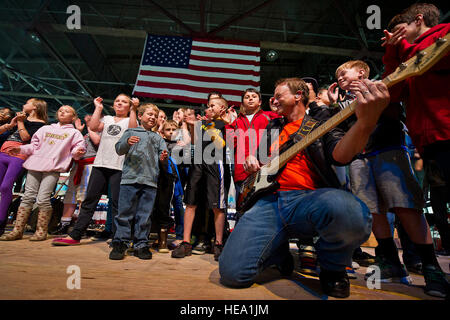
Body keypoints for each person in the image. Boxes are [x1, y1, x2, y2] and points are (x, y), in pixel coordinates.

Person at [219, 77, 390, 298]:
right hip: (268, 202)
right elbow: (260, 163)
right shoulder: (272, 127)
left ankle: (333, 267)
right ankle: (278, 254)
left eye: (279, 95)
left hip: (309, 199)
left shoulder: (320, 125)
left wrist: (365, 124)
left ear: (298, 96)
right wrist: (253, 159)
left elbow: (340, 156)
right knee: (233, 274)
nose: (273, 100)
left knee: (351, 213)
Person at [379, 4, 450, 297]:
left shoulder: (444, 35)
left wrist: (401, 47)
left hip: (447, 134)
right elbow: (394, 93)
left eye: (401, 29)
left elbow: (426, 59)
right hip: (429, 143)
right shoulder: (406, 54)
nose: (397, 37)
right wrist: (393, 54)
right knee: (443, 210)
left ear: (418, 20)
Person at [52, 94, 138, 246]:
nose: (119, 103)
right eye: (117, 100)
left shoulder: (130, 120)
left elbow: (132, 130)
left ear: (128, 106)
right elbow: (92, 127)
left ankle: (117, 236)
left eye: (124, 102)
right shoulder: (107, 119)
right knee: (89, 200)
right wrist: (98, 108)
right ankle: (76, 235)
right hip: (100, 164)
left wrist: (133, 110)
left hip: (119, 166)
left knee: (117, 203)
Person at [0, 105, 86, 241]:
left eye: (67, 111)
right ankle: (17, 231)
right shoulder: (45, 129)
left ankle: (41, 231)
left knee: (43, 198)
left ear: (73, 117)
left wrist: (78, 152)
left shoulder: (75, 133)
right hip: (34, 165)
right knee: (27, 196)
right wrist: (20, 150)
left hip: (53, 168)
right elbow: (33, 146)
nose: (63, 112)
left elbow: (78, 149)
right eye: (60, 110)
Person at [171, 96, 230, 261]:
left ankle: (218, 243)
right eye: (208, 106)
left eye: (213, 106)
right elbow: (195, 142)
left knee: (218, 205)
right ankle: (186, 241)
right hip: (198, 163)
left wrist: (210, 124)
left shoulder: (225, 125)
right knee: (190, 202)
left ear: (222, 109)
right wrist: (189, 124)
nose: (208, 109)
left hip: (215, 164)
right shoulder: (203, 124)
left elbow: (221, 144)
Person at [109, 103, 168, 260]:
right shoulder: (130, 131)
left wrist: (163, 158)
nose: (153, 117)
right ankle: (120, 243)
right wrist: (127, 143)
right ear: (140, 116)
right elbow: (119, 149)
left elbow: (164, 157)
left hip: (150, 182)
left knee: (145, 214)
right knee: (124, 213)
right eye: (149, 114)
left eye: (155, 116)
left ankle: (141, 244)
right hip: (129, 179)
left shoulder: (158, 138)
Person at [0, 98, 47, 236]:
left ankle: (1, 221)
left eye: (27, 103)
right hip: (2, 153)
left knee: (5, 187)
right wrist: (10, 124)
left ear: (35, 107)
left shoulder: (41, 125)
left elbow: (26, 138)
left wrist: (20, 122)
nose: (24, 104)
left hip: (18, 156)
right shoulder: (20, 119)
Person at [51, 114, 101, 235]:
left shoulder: (100, 132)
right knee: (70, 195)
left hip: (90, 165)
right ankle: (65, 224)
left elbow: (97, 141)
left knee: (84, 196)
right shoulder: (83, 134)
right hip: (77, 165)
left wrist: (90, 126)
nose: (88, 120)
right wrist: (78, 131)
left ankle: (81, 226)